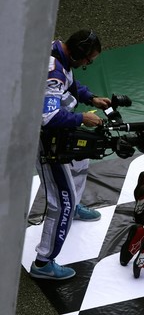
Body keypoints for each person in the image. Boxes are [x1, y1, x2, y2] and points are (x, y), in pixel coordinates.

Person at [30, 29, 111, 280]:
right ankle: (43, 263)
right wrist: (82, 118)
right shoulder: (53, 73)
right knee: (60, 201)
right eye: (88, 59)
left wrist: (91, 98)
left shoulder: (58, 51)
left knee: (81, 159)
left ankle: (74, 207)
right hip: (47, 141)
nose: (88, 64)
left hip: (61, 133)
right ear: (77, 53)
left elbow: (71, 83)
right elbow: (48, 117)